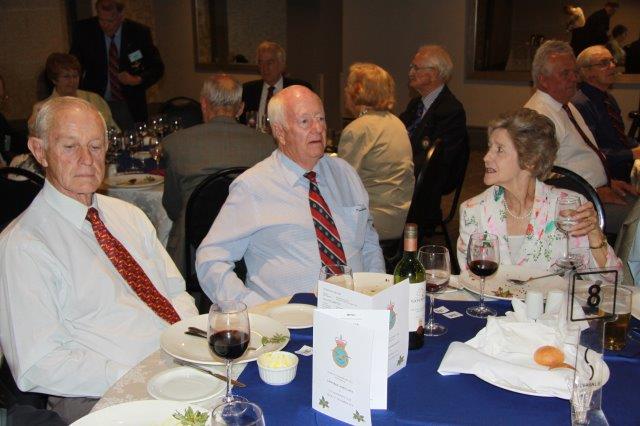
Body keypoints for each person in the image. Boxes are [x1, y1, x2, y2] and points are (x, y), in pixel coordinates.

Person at [0, 97, 197, 422]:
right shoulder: (23, 245)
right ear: (39, 150)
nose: (86, 159)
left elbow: (175, 292)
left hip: (177, 365)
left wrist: (188, 342)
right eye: (69, 147)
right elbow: (39, 365)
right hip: (100, 393)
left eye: (95, 146)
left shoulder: (129, 216)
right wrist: (138, 375)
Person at [196, 86, 385, 306]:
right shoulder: (254, 186)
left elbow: (369, 243)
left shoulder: (345, 174)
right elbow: (210, 258)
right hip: (290, 318)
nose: (318, 128)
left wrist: (378, 293)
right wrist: (254, 309)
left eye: (321, 119)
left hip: (357, 309)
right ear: (280, 132)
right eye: (305, 121)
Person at [457, 108, 621, 273]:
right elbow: (472, 279)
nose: (486, 157)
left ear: (530, 160)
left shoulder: (567, 207)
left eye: (499, 149)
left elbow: (610, 278)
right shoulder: (473, 211)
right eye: (489, 148)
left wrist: (594, 234)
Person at [162, 74, 274, 274]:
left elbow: (172, 208)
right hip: (249, 252)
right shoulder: (266, 145)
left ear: (204, 104)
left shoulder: (176, 144)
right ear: (240, 108)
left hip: (192, 255)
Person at [524, 40, 637, 235]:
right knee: (637, 221)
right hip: (576, 203)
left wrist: (608, 182)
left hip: (594, 191)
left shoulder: (566, 105)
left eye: (574, 72)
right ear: (543, 80)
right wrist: (593, 192)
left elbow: (583, 155)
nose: (574, 78)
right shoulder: (538, 116)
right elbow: (540, 177)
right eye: (565, 74)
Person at [338, 63, 414, 243]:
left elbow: (342, 183)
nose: (345, 90)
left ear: (357, 91)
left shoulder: (358, 129)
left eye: (348, 85)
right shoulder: (396, 122)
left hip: (373, 220)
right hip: (400, 215)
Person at [70, 0, 164, 130]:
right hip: (96, 102)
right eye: (101, 20)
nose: (105, 25)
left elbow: (157, 68)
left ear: (121, 16)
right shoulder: (85, 31)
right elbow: (73, 65)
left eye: (110, 21)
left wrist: (137, 79)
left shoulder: (138, 33)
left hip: (130, 103)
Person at [573, 45, 639, 182]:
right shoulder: (580, 104)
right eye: (604, 63)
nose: (612, 66)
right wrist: (631, 154)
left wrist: (636, 146)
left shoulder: (608, 98)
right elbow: (591, 152)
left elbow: (618, 138)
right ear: (587, 72)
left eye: (612, 61)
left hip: (622, 167)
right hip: (604, 176)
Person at [28, 53, 119, 132]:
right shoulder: (43, 108)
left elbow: (112, 129)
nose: (72, 81)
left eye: (75, 76)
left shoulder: (94, 99)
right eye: (66, 77)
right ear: (54, 80)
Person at [238, 41, 312, 127]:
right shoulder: (247, 90)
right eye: (261, 63)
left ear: (282, 65)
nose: (264, 68)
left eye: (269, 63)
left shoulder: (298, 89)